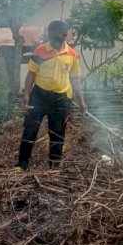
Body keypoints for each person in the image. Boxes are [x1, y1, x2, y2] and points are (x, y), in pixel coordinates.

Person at [15, 20, 87, 171]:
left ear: (64, 36)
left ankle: (54, 167)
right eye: (51, 34)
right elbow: (31, 74)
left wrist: (81, 102)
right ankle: (22, 165)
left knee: (57, 134)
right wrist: (26, 94)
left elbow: (75, 80)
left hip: (61, 100)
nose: (53, 38)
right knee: (30, 130)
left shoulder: (72, 54)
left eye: (56, 35)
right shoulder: (40, 50)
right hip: (38, 96)